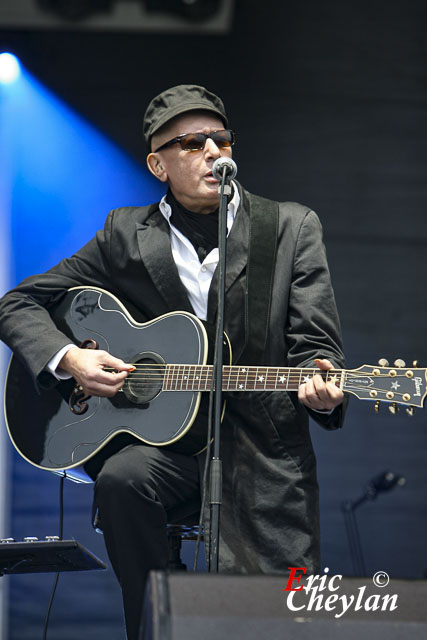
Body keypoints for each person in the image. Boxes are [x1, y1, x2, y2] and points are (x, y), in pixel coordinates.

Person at [0, 84, 345, 639]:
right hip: (171, 451)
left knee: (280, 620)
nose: (213, 152)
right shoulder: (125, 235)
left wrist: (323, 383)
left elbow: (315, 347)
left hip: (260, 452)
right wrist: (70, 361)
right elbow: (17, 303)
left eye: (221, 139)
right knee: (122, 479)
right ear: (157, 164)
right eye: (191, 143)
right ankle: (158, 616)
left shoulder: (289, 228)